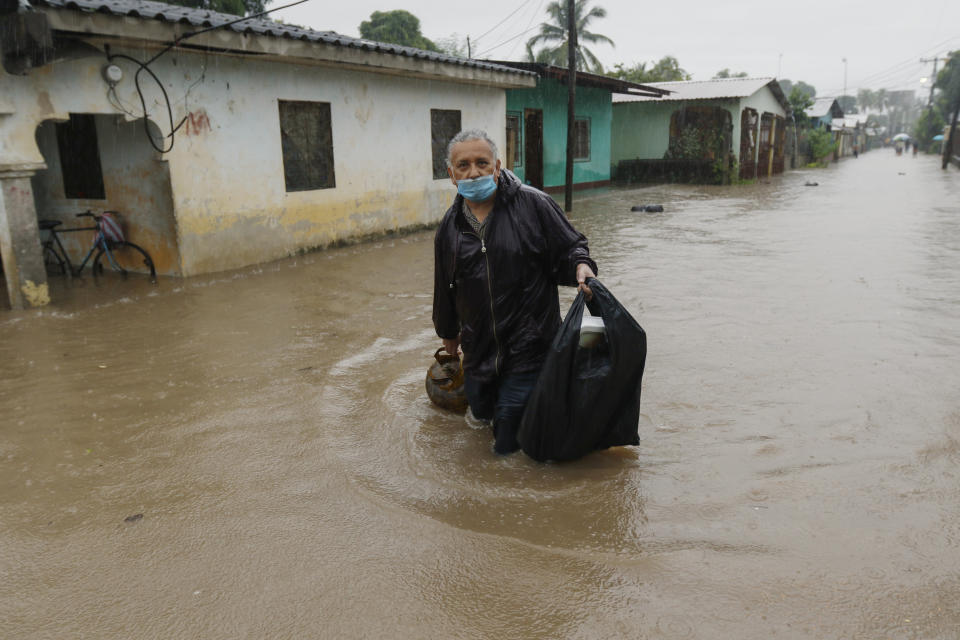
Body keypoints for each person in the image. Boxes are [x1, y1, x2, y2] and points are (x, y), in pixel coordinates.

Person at [432, 129, 597, 454]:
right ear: (452, 175)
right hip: (479, 352)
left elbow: (572, 246)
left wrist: (581, 266)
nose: (473, 171)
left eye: (482, 162)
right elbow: (445, 287)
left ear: (497, 166)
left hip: (530, 348)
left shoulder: (533, 205)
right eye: (463, 165)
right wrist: (448, 339)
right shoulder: (449, 228)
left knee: (507, 441)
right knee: (479, 416)